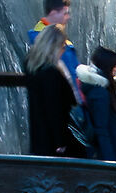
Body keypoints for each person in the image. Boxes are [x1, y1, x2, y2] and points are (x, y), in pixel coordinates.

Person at [23, 20, 83, 158]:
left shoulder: (31, 66)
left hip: (39, 135)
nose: (63, 51)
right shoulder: (52, 73)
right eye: (62, 47)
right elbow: (55, 109)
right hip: (55, 140)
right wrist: (60, 141)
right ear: (54, 47)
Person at [77, 46, 116, 161]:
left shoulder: (98, 88)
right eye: (114, 66)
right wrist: (110, 162)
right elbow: (102, 130)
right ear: (107, 67)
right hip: (115, 154)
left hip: (115, 152)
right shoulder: (100, 93)